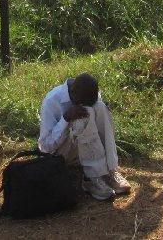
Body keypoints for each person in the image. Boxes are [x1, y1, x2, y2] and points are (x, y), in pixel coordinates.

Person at [38, 72, 132, 200]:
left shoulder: (86, 93)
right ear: (73, 91)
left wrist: (105, 111)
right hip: (61, 153)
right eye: (80, 101)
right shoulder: (51, 101)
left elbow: (101, 122)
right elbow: (45, 147)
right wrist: (66, 119)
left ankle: (110, 170)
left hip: (86, 147)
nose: (82, 104)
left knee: (101, 108)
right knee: (84, 115)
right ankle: (91, 178)